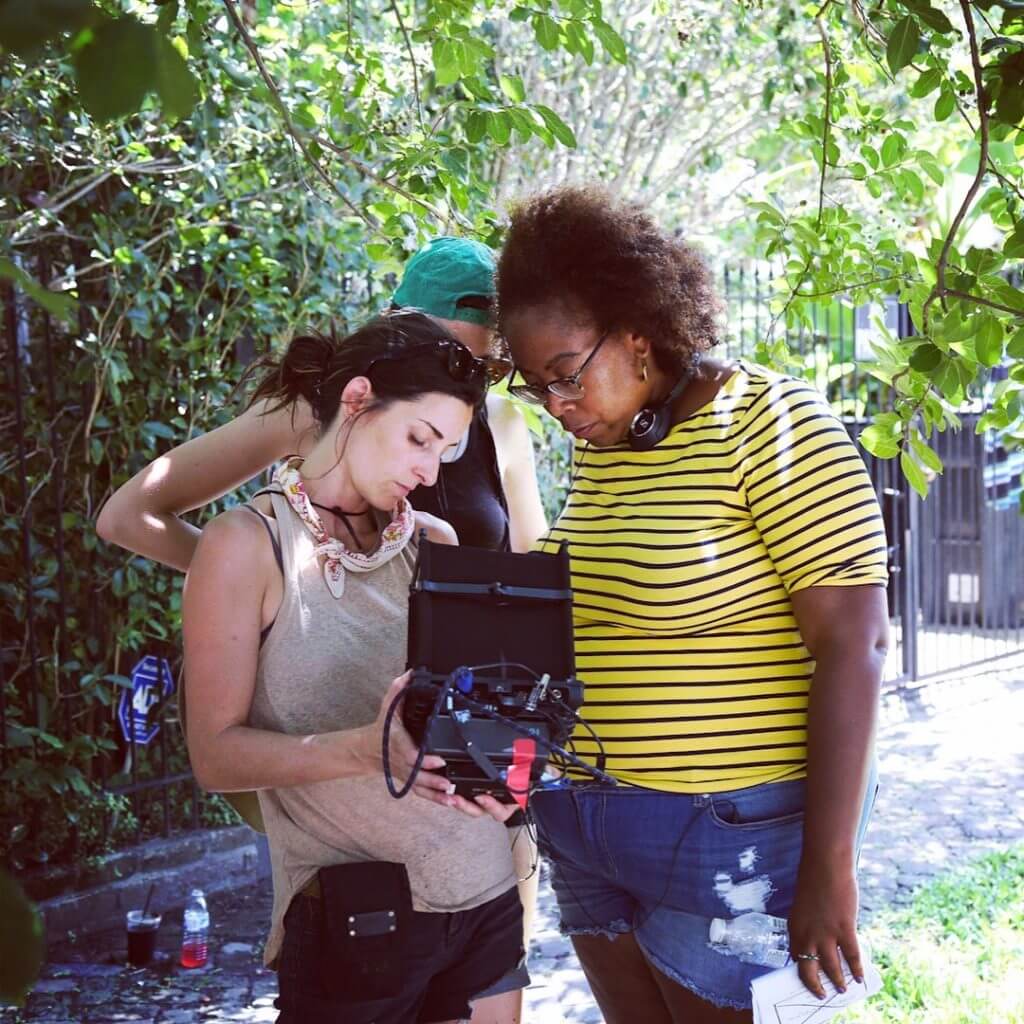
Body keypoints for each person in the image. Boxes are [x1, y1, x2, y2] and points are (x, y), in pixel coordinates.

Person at [96, 237, 544, 1022]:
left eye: (477, 366)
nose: (435, 464)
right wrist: (260, 597)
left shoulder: (483, 445)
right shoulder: (292, 462)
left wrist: (520, 761)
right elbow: (132, 514)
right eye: (441, 354)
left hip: (479, 863)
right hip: (355, 885)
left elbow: (524, 589)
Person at [495, 185, 889, 1023]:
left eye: (568, 376)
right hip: (589, 833)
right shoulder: (612, 443)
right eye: (538, 389)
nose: (558, 408)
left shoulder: (772, 424)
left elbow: (855, 646)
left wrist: (831, 866)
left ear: (637, 334)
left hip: (723, 844)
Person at [180, 310, 522, 1023]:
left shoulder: (433, 538)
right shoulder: (245, 545)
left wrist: (513, 764)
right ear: (358, 399)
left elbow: (455, 725)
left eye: (447, 452)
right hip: (359, 921)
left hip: (485, 898)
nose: (430, 470)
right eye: (420, 439)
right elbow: (215, 757)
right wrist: (363, 751)